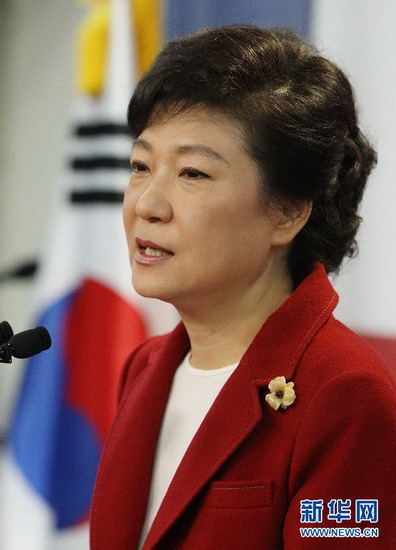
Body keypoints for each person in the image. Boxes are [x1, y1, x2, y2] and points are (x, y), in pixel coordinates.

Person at [90, 25, 396, 549]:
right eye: (140, 166)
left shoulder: (345, 394)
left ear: (287, 212)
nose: (146, 204)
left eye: (192, 174)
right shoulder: (143, 367)